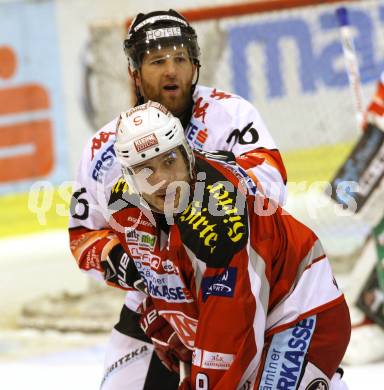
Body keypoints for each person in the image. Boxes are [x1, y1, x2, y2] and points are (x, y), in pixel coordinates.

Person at [69, 9, 287, 389]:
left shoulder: (230, 115)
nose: (171, 70)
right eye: (157, 61)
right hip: (157, 307)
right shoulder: (104, 150)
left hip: (245, 296)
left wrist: (207, 178)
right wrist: (121, 261)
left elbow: (271, 187)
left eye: (180, 59)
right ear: (135, 73)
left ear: (195, 65)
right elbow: (83, 236)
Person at [106, 101, 351, 389]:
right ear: (129, 179)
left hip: (298, 308)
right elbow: (161, 274)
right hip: (250, 307)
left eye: (169, 161)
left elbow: (233, 332)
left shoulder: (216, 223)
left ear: (187, 153)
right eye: (145, 170)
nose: (162, 181)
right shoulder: (127, 209)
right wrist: (169, 325)